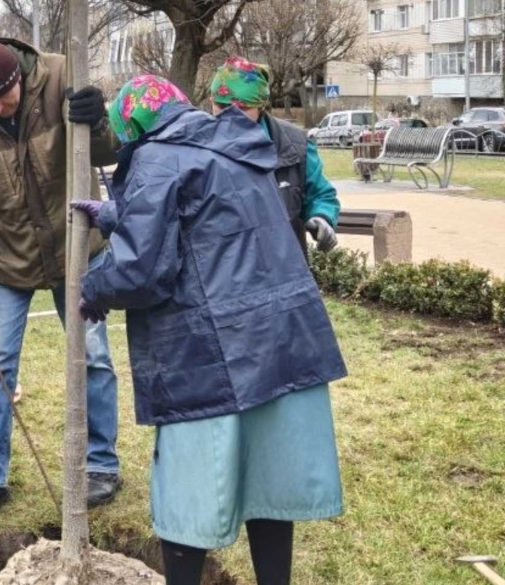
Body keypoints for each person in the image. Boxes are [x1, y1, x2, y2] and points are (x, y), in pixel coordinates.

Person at [71, 75, 347, 585]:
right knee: (271, 482)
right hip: (282, 342)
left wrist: (94, 289)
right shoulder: (236, 143)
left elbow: (142, 270)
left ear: (133, 124)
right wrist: (115, 214)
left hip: (208, 359)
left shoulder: (156, 157)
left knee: (189, 494)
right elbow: (205, 215)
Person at [0, 39, 124, 525]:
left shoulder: (61, 77)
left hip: (76, 246)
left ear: (20, 75)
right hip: (5, 261)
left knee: (93, 355)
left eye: (4, 95)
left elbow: (110, 148)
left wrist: (98, 118)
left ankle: (101, 466)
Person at [209, 57, 340, 255]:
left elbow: (320, 194)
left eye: (242, 108)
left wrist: (322, 217)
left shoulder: (296, 145)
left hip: (284, 267)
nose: (230, 116)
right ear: (211, 101)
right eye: (221, 106)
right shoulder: (196, 146)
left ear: (260, 106)